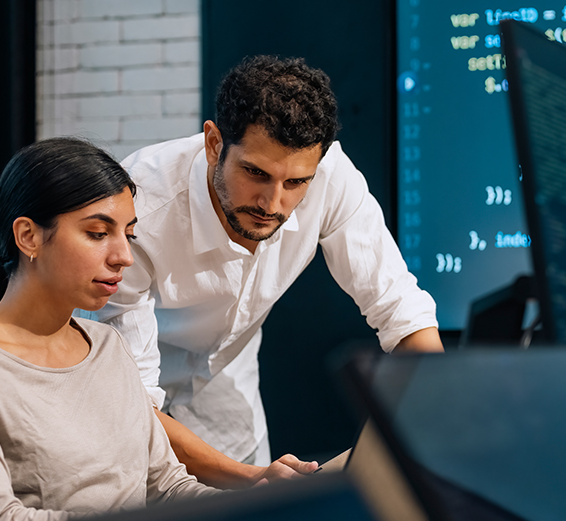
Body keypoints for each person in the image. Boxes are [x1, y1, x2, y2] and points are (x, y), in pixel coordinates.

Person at [97, 55, 442, 488]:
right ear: (214, 143)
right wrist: (253, 478)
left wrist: (424, 416)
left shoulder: (330, 176)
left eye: (296, 183)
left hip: (228, 383)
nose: (272, 203)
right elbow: (134, 407)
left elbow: (403, 313)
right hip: (127, 395)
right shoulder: (139, 209)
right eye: (256, 173)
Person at [0, 138, 220, 521]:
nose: (123, 257)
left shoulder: (109, 346)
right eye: (97, 234)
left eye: (128, 235)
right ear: (28, 236)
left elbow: (166, 486)